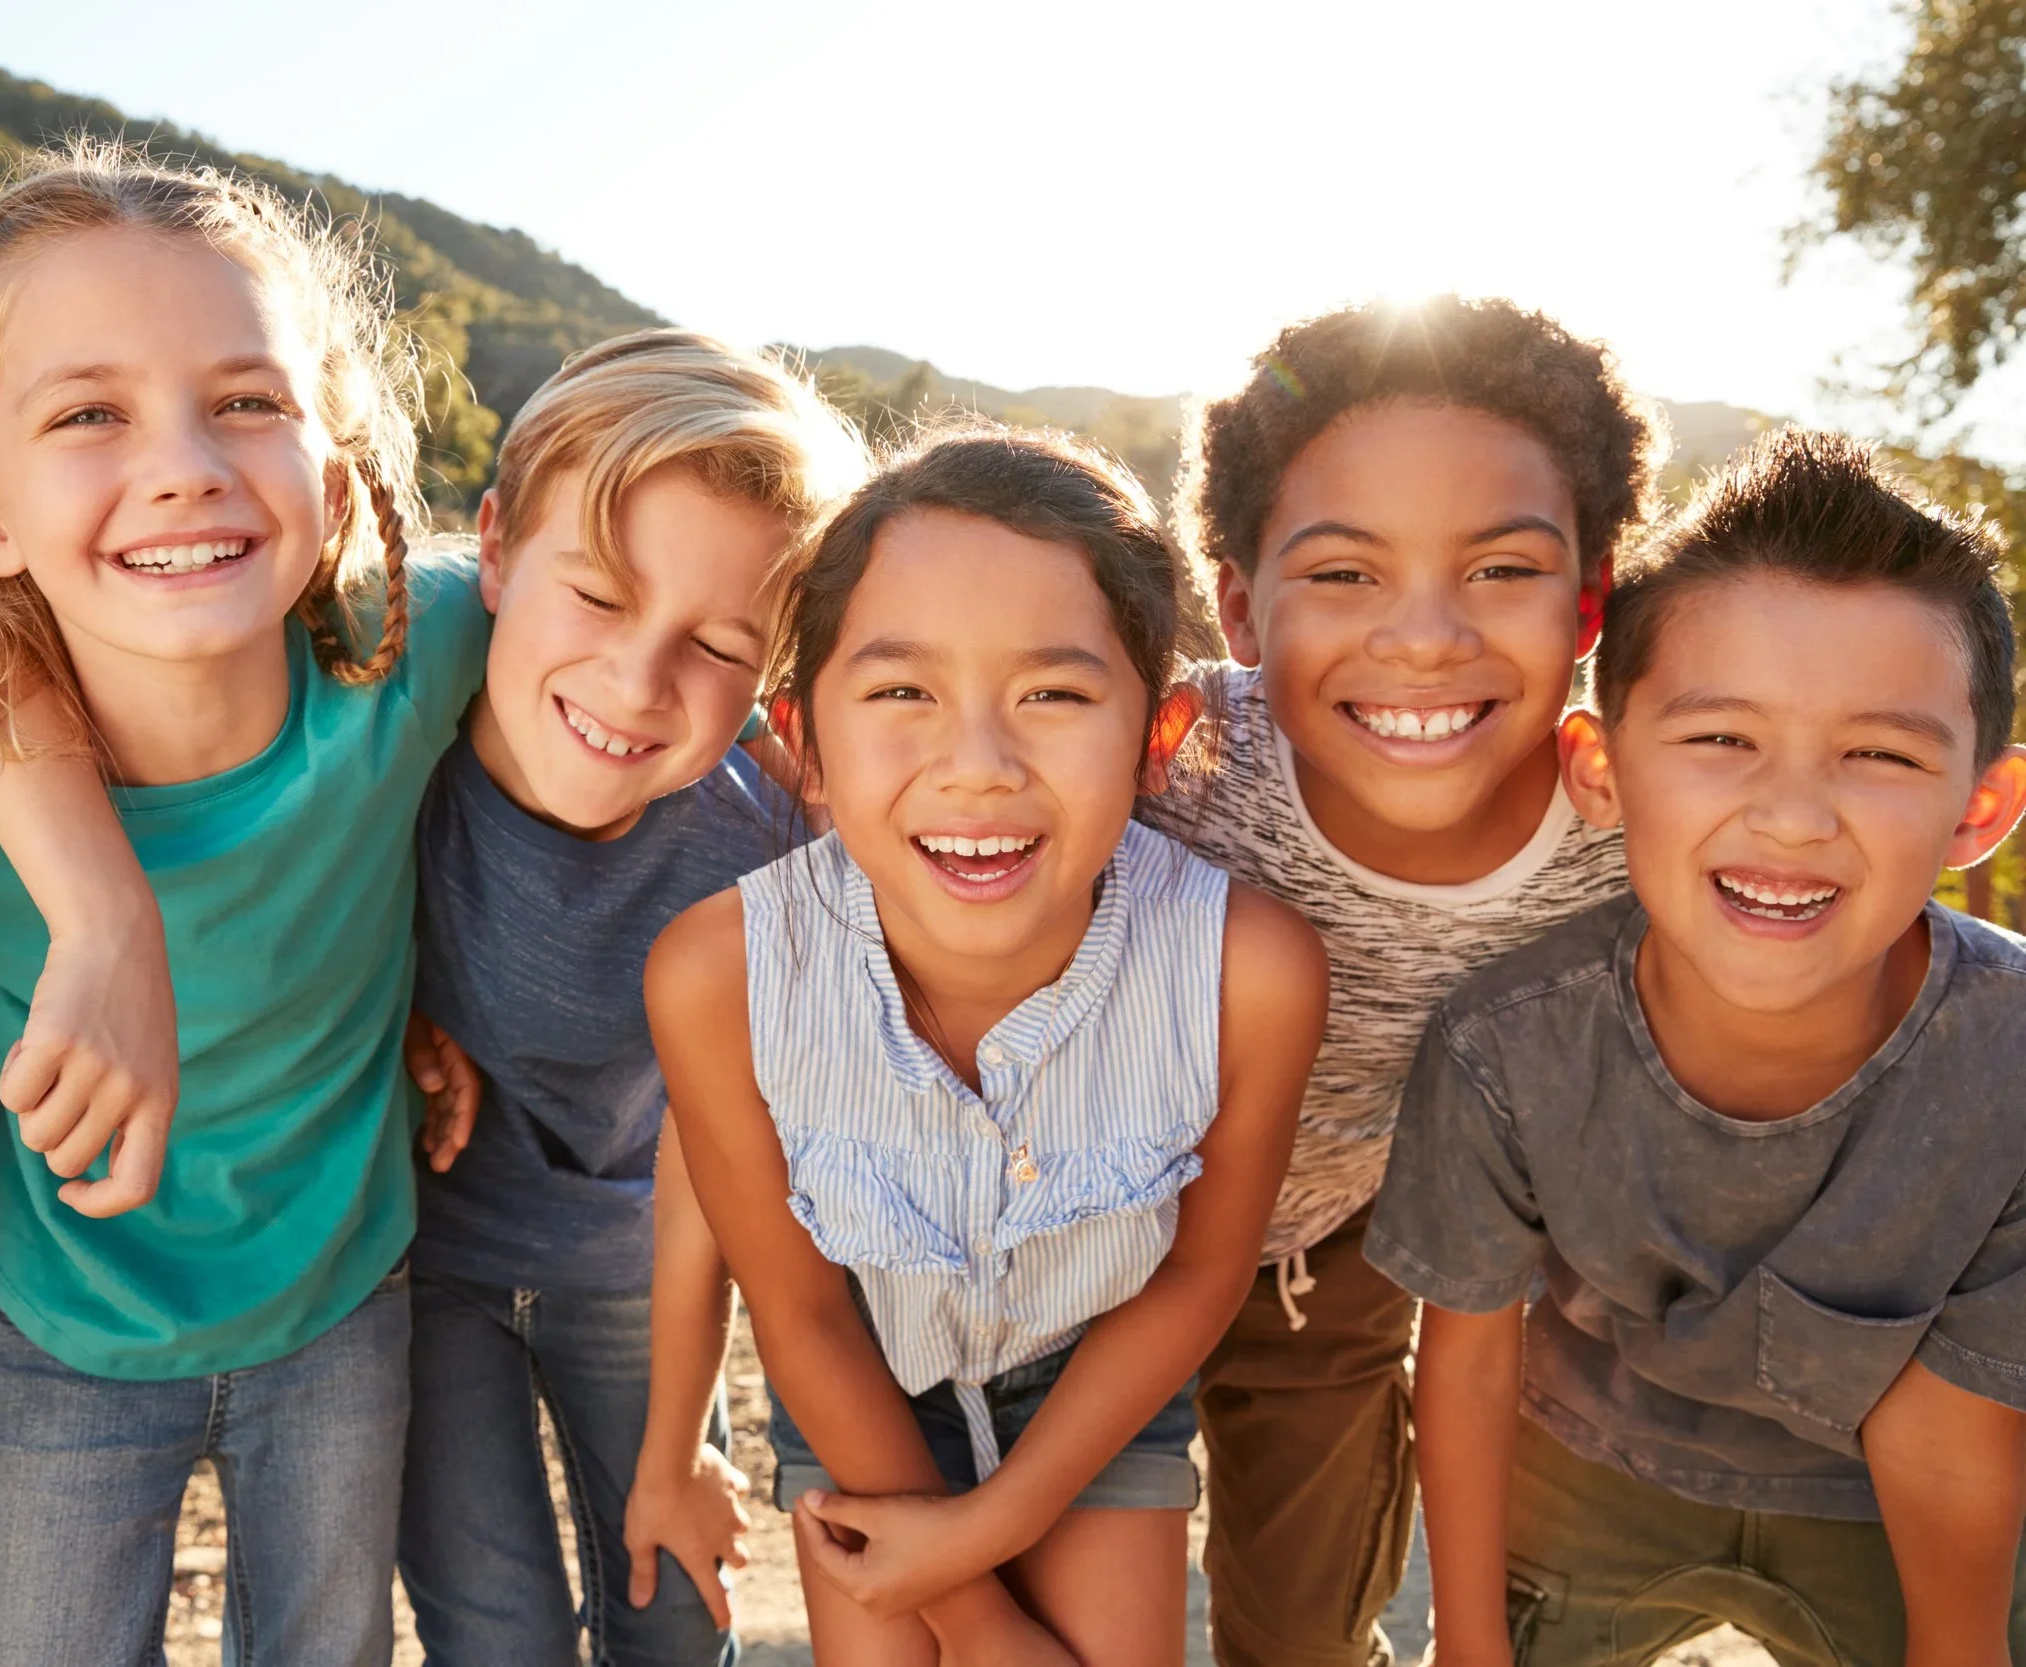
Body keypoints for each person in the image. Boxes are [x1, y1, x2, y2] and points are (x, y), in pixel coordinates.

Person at [0, 142, 487, 1664]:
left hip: (343, 1298)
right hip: (68, 1329)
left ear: (335, 472)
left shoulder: (414, 655)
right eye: (88, 414)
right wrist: (100, 907)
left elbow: (646, 640)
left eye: (248, 399)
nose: (188, 460)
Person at [649, 426, 1327, 1663]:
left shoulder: (1249, 969)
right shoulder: (720, 972)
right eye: (902, 691)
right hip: (861, 1377)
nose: (977, 766)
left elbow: (1197, 1277)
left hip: (1099, 1377)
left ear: (1159, 734)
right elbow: (797, 1308)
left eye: (1053, 694)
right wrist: (973, 1618)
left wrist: (992, 1529)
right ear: (804, 735)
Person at [1374, 429, 2026, 1666]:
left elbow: (1958, 1422)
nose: (1790, 814)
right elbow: (1462, 1354)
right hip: (1586, 1454)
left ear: (1977, 810)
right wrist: (1464, 1642)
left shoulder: (2010, 1067)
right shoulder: (1508, 1044)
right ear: (1601, 766)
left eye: (1879, 753)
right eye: (1721, 738)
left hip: (1877, 1497)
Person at [1172, 296, 1658, 1667]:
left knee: (1299, 1624)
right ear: (1235, 603)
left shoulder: (1632, 829)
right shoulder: (1169, 761)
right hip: (1058, 1235)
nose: (1425, 636)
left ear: (1592, 595)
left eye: (1502, 567)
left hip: (1321, 1258)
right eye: (1342, 573)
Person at [396, 330, 865, 1666]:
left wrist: (682, 1439)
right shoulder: (392, 750)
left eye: (718, 643)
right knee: (499, 1636)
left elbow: (725, 1165)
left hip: (646, 1270)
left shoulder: (766, 844)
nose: (636, 679)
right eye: (598, 595)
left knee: (673, 1613)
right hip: (428, 1264)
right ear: (495, 550)